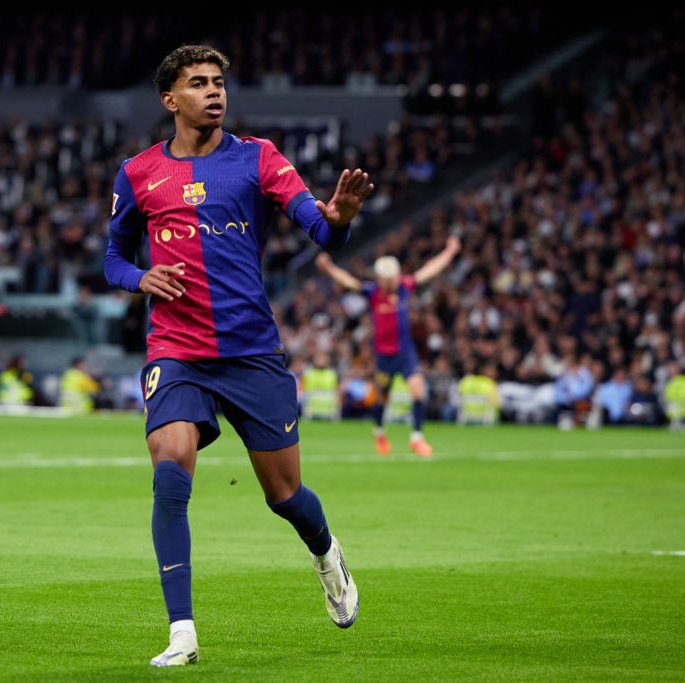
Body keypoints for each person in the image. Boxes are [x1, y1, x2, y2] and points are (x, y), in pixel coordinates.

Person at [103, 44, 369, 667]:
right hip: (176, 350)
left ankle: (327, 554)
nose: (214, 92)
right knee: (170, 472)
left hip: (250, 349)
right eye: (199, 83)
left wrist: (341, 220)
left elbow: (319, 225)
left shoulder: (258, 158)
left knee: (284, 495)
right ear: (171, 99)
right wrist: (139, 278)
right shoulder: (138, 172)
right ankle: (182, 633)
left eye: (219, 82)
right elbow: (113, 257)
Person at [315, 234, 461, 457]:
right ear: (381, 278)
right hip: (384, 356)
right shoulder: (373, 293)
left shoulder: (404, 287)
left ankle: (417, 438)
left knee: (418, 392)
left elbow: (429, 271)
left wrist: (450, 252)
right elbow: (348, 281)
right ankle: (380, 431)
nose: (393, 280)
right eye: (389, 277)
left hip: (405, 352)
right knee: (382, 398)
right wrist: (329, 268)